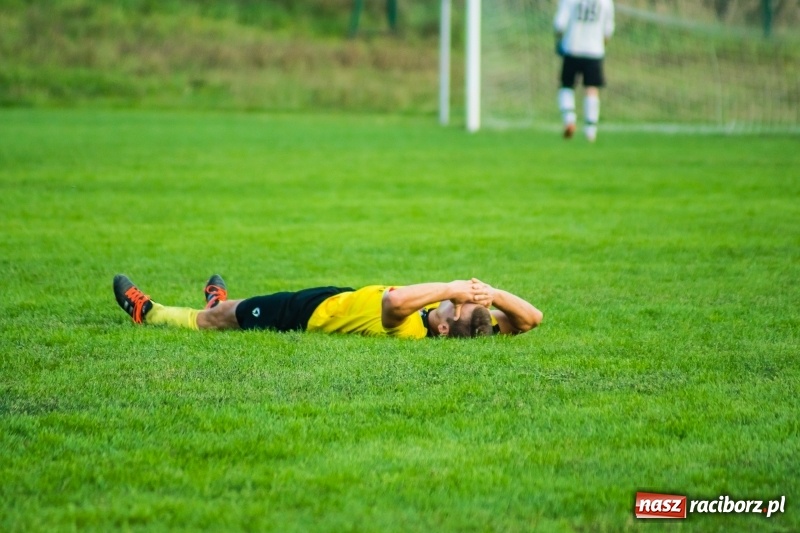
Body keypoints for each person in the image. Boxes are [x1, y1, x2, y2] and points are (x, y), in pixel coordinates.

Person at [112, 273, 543, 339]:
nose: (454, 300)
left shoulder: (409, 326)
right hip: (338, 297)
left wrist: (452, 285)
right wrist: (492, 295)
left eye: (455, 305)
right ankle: (217, 301)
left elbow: (395, 300)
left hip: (307, 315)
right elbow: (532, 320)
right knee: (239, 308)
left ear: (444, 328)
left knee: (221, 320)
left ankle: (148, 312)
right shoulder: (476, 328)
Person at [554, 0, 615, 142]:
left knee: (567, 85)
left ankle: (569, 119)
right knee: (592, 89)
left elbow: (559, 24)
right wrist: (601, 43)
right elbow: (608, 31)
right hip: (595, 50)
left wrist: (558, 41)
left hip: (572, 48)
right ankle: (590, 131)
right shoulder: (606, 2)